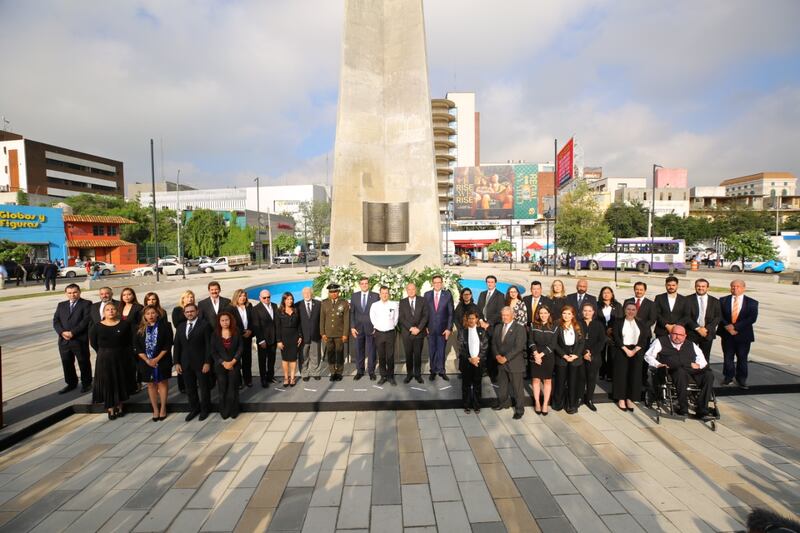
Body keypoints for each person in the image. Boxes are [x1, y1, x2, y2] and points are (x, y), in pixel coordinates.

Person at [645, 325, 714, 417]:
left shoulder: (691, 344)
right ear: (670, 334)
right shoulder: (661, 341)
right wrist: (658, 364)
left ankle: (702, 408)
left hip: (691, 369)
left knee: (708, 375)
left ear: (685, 336)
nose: (677, 337)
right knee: (680, 372)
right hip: (673, 370)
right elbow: (648, 356)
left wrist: (698, 365)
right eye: (675, 334)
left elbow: (702, 360)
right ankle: (683, 408)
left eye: (680, 335)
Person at [89, 303, 131, 419]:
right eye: (108, 309)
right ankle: (110, 407)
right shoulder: (97, 326)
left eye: (113, 309)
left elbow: (128, 340)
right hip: (104, 357)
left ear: (117, 311)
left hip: (121, 356)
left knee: (120, 379)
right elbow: (93, 342)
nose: (111, 311)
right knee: (108, 381)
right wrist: (104, 352)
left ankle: (120, 405)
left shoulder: (124, 324)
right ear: (104, 312)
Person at [173, 303, 212, 421]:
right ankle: (194, 408)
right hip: (185, 363)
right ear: (184, 313)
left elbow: (208, 346)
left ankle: (205, 409)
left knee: (204, 388)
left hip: (201, 363)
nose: (190, 313)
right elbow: (177, 346)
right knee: (190, 389)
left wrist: (207, 362)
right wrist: (177, 362)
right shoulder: (180, 327)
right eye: (187, 312)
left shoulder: (205, 325)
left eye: (192, 311)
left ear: (197, 312)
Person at [718, 279, 759, 389]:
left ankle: (741, 379)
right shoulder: (723, 300)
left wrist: (735, 327)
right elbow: (719, 315)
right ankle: (728, 377)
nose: (735, 288)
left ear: (743, 288)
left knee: (742, 357)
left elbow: (752, 318)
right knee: (728, 357)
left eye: (738, 286)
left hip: (743, 335)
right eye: (733, 286)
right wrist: (727, 326)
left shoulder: (752, 302)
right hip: (727, 334)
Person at [135, 305, 174, 421]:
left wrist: (156, 359)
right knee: (151, 385)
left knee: (162, 383)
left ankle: (163, 408)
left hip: (162, 360)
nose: (150, 316)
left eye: (153, 313)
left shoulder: (165, 326)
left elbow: (168, 344)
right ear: (144, 316)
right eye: (148, 314)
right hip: (145, 362)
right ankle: (155, 409)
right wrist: (147, 360)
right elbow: (137, 347)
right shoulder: (139, 328)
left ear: (157, 314)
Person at [52, 283, 93, 393]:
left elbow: (86, 320)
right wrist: (62, 332)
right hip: (64, 340)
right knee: (67, 363)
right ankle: (71, 383)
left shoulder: (86, 304)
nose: (72, 295)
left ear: (79, 292)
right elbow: (56, 321)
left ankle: (86, 383)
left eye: (75, 292)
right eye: (69, 293)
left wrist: (73, 332)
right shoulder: (61, 305)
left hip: (79, 339)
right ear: (66, 293)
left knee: (83, 362)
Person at [612, 302, 650, 412]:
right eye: (628, 309)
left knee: (634, 376)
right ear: (625, 310)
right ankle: (621, 398)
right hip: (622, 350)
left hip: (636, 352)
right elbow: (616, 337)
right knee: (621, 375)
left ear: (636, 311)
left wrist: (634, 350)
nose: (630, 311)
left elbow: (643, 339)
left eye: (633, 309)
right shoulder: (618, 322)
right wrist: (626, 349)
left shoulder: (641, 323)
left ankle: (630, 398)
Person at [492, 307, 527, 419]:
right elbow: (493, 343)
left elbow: (519, 347)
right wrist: (497, 355)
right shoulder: (498, 327)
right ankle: (503, 403)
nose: (504, 317)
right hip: (500, 362)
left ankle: (519, 410)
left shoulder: (519, 328)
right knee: (502, 386)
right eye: (503, 315)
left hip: (514, 363)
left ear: (513, 315)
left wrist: (506, 358)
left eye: (507, 315)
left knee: (517, 389)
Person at [623, 281, 658, 393]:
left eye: (641, 290)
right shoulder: (627, 302)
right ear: (634, 289)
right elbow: (624, 316)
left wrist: (639, 328)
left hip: (643, 335)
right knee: (629, 357)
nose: (638, 291)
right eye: (637, 289)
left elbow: (652, 319)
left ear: (645, 291)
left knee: (642, 359)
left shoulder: (651, 304)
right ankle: (628, 378)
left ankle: (643, 379)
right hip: (628, 335)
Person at [552, 306, 585, 414]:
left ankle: (572, 405)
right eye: (564, 313)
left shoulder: (577, 325)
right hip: (562, 356)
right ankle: (558, 403)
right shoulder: (557, 325)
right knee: (560, 381)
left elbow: (581, 342)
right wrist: (564, 355)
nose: (566, 316)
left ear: (573, 315)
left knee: (573, 382)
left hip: (575, 356)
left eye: (569, 314)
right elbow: (554, 343)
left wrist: (576, 354)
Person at [210, 311, 241, 419]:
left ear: (230, 320)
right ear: (219, 322)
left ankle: (234, 410)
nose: (225, 322)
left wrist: (233, 361)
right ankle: (224, 410)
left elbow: (240, 348)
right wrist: (223, 363)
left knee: (233, 388)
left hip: (234, 364)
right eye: (222, 320)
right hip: (220, 366)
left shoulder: (236, 331)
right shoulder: (215, 334)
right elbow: (213, 351)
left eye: (226, 320)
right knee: (222, 389)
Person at [529, 305, 557, 415]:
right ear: (538, 314)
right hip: (535, 355)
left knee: (547, 380)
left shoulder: (554, 327)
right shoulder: (533, 325)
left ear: (549, 314)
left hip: (548, 356)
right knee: (535, 380)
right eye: (541, 313)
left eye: (545, 313)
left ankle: (545, 403)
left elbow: (553, 344)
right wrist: (536, 354)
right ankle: (537, 403)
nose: (543, 315)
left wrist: (541, 355)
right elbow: (530, 341)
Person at [458, 310, 488, 414]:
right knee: (466, 385)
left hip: (478, 362)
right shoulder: (462, 331)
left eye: (473, 318)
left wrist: (478, 358)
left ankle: (477, 405)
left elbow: (485, 346)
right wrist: (470, 359)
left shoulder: (482, 331)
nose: (471, 320)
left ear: (476, 319)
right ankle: (466, 405)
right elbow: (461, 348)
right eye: (469, 318)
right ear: (467, 320)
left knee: (477, 385)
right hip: (466, 362)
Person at [424, 275, 453, 381]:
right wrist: (425, 326)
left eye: (439, 282)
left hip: (443, 329)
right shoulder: (427, 295)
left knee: (441, 351)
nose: (437, 284)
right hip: (430, 329)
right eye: (435, 282)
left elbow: (451, 313)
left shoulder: (447, 295)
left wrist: (449, 328)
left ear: (442, 283)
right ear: (432, 283)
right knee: (432, 351)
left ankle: (441, 371)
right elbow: (425, 312)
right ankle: (433, 370)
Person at [399, 282, 429, 384]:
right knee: (408, 355)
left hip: (419, 333)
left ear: (416, 290)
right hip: (407, 333)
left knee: (417, 355)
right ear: (406, 291)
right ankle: (409, 374)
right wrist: (411, 328)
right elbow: (401, 318)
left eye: (413, 289)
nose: (411, 291)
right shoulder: (402, 302)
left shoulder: (422, 300)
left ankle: (417, 375)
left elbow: (425, 316)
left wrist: (419, 328)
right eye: (409, 289)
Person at [350, 276, 379, 380]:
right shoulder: (354, 296)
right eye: (362, 283)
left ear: (369, 284)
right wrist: (352, 327)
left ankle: (371, 371)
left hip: (371, 328)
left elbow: (378, 312)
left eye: (366, 283)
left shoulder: (375, 296)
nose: (364, 285)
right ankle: (360, 371)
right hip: (358, 328)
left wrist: (377, 326)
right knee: (359, 350)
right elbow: (352, 313)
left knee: (371, 350)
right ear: (359, 285)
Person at [686, 278, 722, 364]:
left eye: (703, 286)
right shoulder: (687, 299)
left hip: (707, 333)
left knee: (705, 357)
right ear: (695, 287)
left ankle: (703, 375)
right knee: (689, 356)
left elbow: (718, 317)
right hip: (691, 332)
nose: (700, 288)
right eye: (698, 286)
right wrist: (697, 328)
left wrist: (707, 329)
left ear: (707, 288)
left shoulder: (715, 301)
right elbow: (686, 316)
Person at [369, 286, 399, 385]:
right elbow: (372, 318)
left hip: (390, 333)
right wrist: (377, 326)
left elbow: (396, 318)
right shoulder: (375, 305)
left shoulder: (394, 304)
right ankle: (383, 376)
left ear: (389, 294)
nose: (385, 295)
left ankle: (391, 376)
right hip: (379, 333)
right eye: (383, 293)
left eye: (386, 293)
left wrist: (391, 326)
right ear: (380, 294)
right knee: (381, 356)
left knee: (390, 356)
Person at [477, 275, 505, 381]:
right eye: (488, 282)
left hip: (493, 327)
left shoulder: (500, 295)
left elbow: (499, 313)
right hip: (481, 325)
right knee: (482, 349)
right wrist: (480, 321)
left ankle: (493, 373)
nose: (490, 284)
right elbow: (478, 309)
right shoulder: (482, 294)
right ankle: (484, 370)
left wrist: (488, 323)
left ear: (495, 283)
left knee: (493, 350)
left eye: (492, 282)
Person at [320, 284, 350, 381]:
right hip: (328, 334)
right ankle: (332, 372)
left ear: (338, 292)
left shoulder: (344, 303)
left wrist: (345, 334)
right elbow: (322, 320)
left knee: (339, 353)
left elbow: (346, 320)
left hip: (339, 334)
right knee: (330, 353)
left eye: (335, 292)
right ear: (329, 293)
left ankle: (339, 372)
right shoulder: (324, 303)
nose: (333, 294)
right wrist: (322, 333)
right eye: (331, 292)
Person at [580, 303, 607, 412]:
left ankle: (589, 399)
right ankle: (579, 397)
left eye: (589, 311)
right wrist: (583, 353)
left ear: (593, 312)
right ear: (582, 312)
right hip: (580, 355)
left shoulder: (599, 325)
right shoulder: (578, 323)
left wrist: (590, 352)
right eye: (585, 310)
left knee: (591, 379)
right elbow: (576, 339)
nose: (587, 313)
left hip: (594, 356)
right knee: (581, 378)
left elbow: (601, 341)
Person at [228, 289, 255, 388]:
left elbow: (253, 320)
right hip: (237, 338)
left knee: (247, 360)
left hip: (248, 337)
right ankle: (238, 381)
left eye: (244, 296)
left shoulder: (249, 306)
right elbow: (231, 324)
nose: (242, 298)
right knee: (237, 360)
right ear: (236, 297)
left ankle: (248, 380)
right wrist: (241, 332)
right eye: (240, 296)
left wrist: (250, 330)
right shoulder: (230, 308)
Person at [119, 287, 144, 394]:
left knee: (137, 362)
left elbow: (142, 325)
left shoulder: (138, 307)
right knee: (126, 363)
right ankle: (129, 383)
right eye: (124, 295)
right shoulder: (119, 307)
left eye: (129, 294)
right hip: (122, 340)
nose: (127, 297)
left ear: (133, 295)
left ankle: (138, 383)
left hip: (135, 338)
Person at [596, 286, 622, 382]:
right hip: (600, 332)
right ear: (601, 294)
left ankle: (610, 374)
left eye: (608, 292)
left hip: (613, 333)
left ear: (612, 294)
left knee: (612, 354)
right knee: (601, 354)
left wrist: (611, 329)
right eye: (604, 293)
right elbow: (595, 319)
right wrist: (603, 329)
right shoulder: (597, 305)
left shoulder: (617, 305)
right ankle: (602, 373)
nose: (606, 294)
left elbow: (619, 318)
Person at [253, 290, 279, 386]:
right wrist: (261, 340)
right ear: (260, 298)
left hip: (273, 338)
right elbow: (256, 325)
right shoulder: (256, 309)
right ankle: (263, 379)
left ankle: (270, 376)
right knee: (262, 360)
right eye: (264, 297)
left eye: (268, 297)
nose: (267, 299)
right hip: (263, 340)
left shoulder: (275, 306)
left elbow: (276, 322)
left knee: (272, 359)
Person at [276, 292, 302, 387]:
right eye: (287, 299)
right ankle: (286, 378)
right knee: (285, 359)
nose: (290, 301)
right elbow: (277, 327)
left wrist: (300, 336)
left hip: (294, 337)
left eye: (291, 299)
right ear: (284, 300)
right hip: (284, 337)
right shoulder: (279, 311)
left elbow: (299, 325)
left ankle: (292, 378)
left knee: (293, 359)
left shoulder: (296, 310)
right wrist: (278, 341)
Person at [298, 287, 323, 381]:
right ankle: (304, 373)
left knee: (315, 355)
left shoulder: (318, 304)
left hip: (315, 335)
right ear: (302, 294)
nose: (307, 294)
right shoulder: (298, 305)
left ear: (312, 293)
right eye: (305, 293)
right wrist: (299, 335)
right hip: (303, 336)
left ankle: (315, 372)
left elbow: (321, 319)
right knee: (303, 356)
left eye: (309, 292)